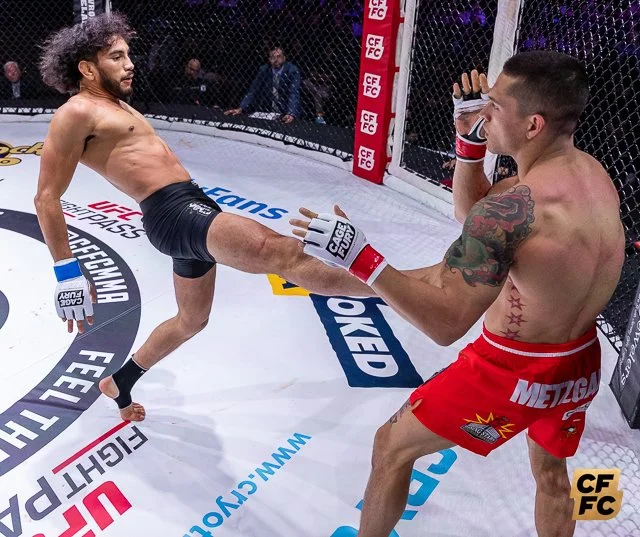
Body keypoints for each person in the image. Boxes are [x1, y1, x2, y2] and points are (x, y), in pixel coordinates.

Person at [291, 51, 625, 536]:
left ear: (532, 125)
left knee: (391, 446)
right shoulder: (591, 176)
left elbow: (446, 322)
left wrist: (361, 258)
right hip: (578, 364)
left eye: (496, 106)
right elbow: (477, 216)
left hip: (510, 370)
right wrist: (470, 144)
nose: (485, 111)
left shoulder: (518, 208)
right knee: (552, 476)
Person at [35, 13, 370, 423]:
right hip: (172, 213)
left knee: (191, 320)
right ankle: (394, 286)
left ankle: (121, 381)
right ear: (88, 69)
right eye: (117, 57)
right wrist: (67, 272)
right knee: (282, 253)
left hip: (190, 204)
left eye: (128, 54)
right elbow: (46, 197)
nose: (130, 64)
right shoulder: (76, 111)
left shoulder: (113, 105)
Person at [224, 46, 301, 123]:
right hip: (267, 110)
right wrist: (241, 108)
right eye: (273, 57)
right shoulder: (264, 70)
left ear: (284, 58)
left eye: (279, 57)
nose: (276, 60)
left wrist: (291, 113)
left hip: (285, 108)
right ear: (269, 59)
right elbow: (253, 90)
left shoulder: (292, 70)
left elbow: (293, 93)